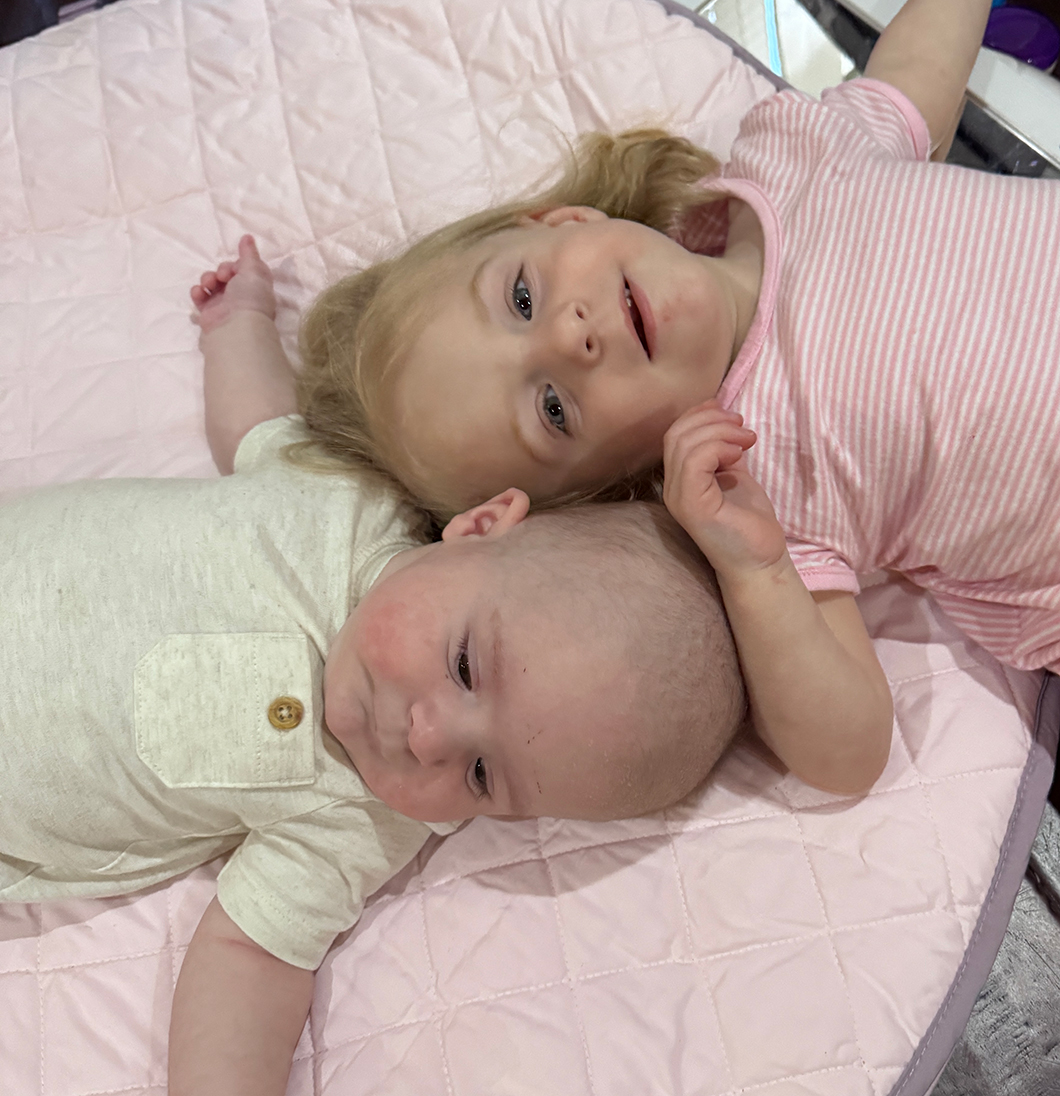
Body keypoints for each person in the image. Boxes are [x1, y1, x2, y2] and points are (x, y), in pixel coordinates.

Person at [1, 238, 746, 1096]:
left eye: (480, 775)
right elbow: (260, 431)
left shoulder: (360, 821)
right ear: (476, 526)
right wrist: (239, 325)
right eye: (466, 665)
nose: (428, 734)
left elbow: (248, 958)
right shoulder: (351, 504)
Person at [288, 0, 1060, 799]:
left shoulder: (791, 160)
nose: (569, 340)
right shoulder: (755, 474)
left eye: (522, 297)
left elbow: (912, 88)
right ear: (622, 475)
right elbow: (848, 753)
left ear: (561, 221)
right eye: (554, 408)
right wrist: (756, 572)